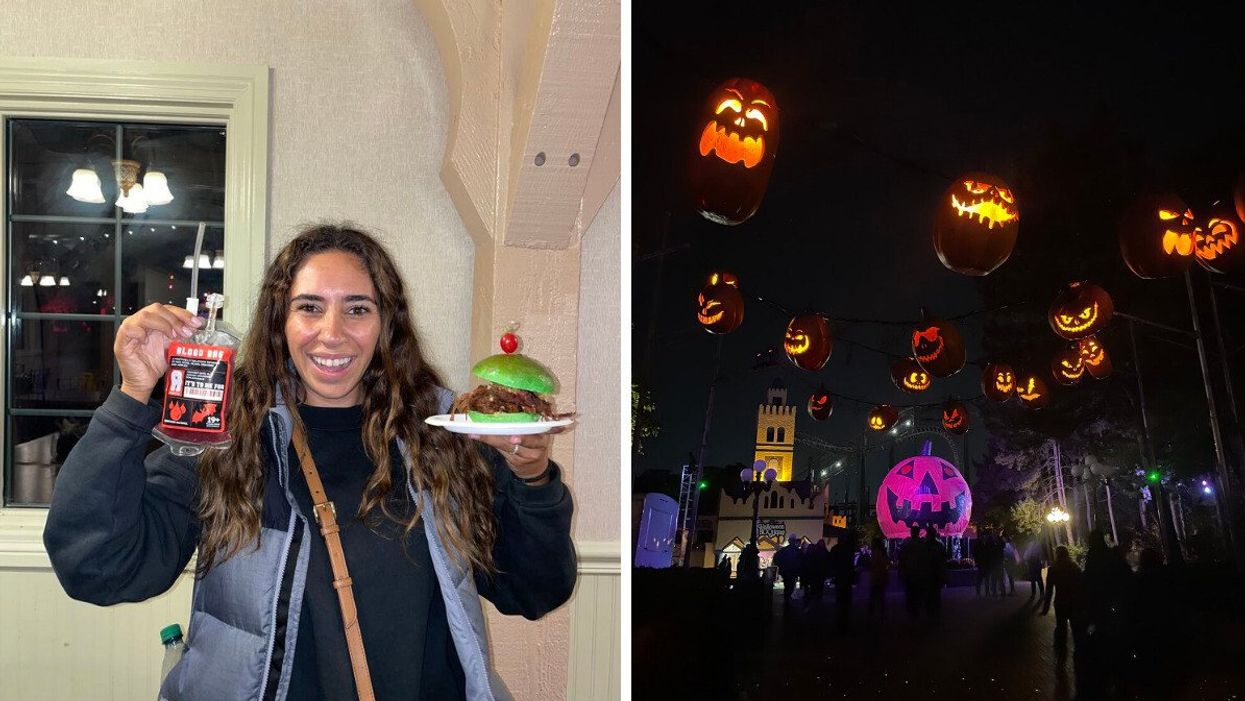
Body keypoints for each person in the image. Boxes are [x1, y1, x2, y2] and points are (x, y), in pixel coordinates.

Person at [43, 224, 576, 700]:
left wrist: (532, 481)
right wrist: (132, 397)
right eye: (310, 306)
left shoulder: (444, 438)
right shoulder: (227, 439)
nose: (333, 332)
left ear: (386, 324)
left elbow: (530, 591)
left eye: (358, 309)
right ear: (281, 321)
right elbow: (99, 568)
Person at [1041, 546, 1088, 652]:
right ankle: (1079, 651)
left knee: (1061, 627)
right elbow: (1082, 585)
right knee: (1076, 627)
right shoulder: (1074, 567)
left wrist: (1046, 607)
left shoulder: (1053, 569)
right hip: (1073, 602)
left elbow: (1049, 590)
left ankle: (1061, 650)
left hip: (1060, 602)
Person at [898, 525, 926, 620]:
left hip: (910, 572)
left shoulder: (906, 544)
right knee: (917, 592)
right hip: (918, 573)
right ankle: (916, 609)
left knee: (911, 592)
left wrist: (901, 571)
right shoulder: (922, 544)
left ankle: (912, 610)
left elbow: (901, 559)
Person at [773, 534, 803, 606]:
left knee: (787, 585)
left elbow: (776, 558)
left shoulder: (784, 550)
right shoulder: (797, 551)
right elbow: (801, 561)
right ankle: (787, 598)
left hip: (786, 571)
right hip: (792, 571)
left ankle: (787, 599)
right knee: (790, 585)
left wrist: (781, 567)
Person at [867, 537, 890, 620]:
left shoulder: (876, 553)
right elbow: (886, 564)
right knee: (880, 596)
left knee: (874, 596)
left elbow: (873, 564)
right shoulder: (882, 553)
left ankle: (871, 614)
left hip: (876, 577)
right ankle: (881, 613)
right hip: (881, 577)